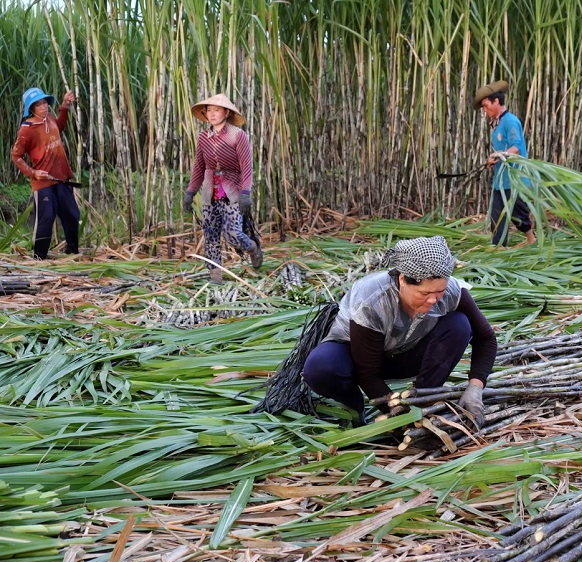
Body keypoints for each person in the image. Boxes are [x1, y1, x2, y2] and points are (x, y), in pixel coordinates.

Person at [302, 236, 497, 426]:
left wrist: (475, 387)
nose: (433, 299)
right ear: (403, 279)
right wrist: (399, 415)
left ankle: (424, 397)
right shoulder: (372, 301)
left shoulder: (452, 291)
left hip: (405, 354)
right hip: (356, 358)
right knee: (321, 368)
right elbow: (367, 373)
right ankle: (354, 408)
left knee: (459, 324)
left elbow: (486, 338)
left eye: (440, 291)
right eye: (425, 293)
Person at [184, 94, 262, 284]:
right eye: (209, 110)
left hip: (232, 191)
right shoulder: (204, 137)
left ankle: (252, 248)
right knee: (210, 235)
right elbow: (199, 168)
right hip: (210, 193)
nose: (212, 114)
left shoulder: (237, 135)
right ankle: (215, 276)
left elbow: (246, 167)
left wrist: (245, 193)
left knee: (233, 235)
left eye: (216, 110)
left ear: (226, 113)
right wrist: (190, 192)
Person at [11, 87, 80, 260]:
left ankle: (72, 252)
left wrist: (64, 105)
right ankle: (39, 258)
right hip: (43, 182)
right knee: (46, 218)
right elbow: (16, 156)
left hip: (61, 177)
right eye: (38, 104)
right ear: (31, 108)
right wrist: (33, 173)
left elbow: (59, 126)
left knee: (72, 214)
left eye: (45, 102)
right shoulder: (26, 130)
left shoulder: (49, 118)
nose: (44, 107)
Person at [473, 80, 536, 247]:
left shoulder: (510, 121)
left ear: (496, 101)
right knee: (497, 214)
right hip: (501, 179)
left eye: (486, 106)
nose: (485, 110)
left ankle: (531, 240)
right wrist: (493, 160)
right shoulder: (497, 124)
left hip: (514, 178)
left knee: (518, 213)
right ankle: (499, 247)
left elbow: (516, 147)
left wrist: (499, 155)